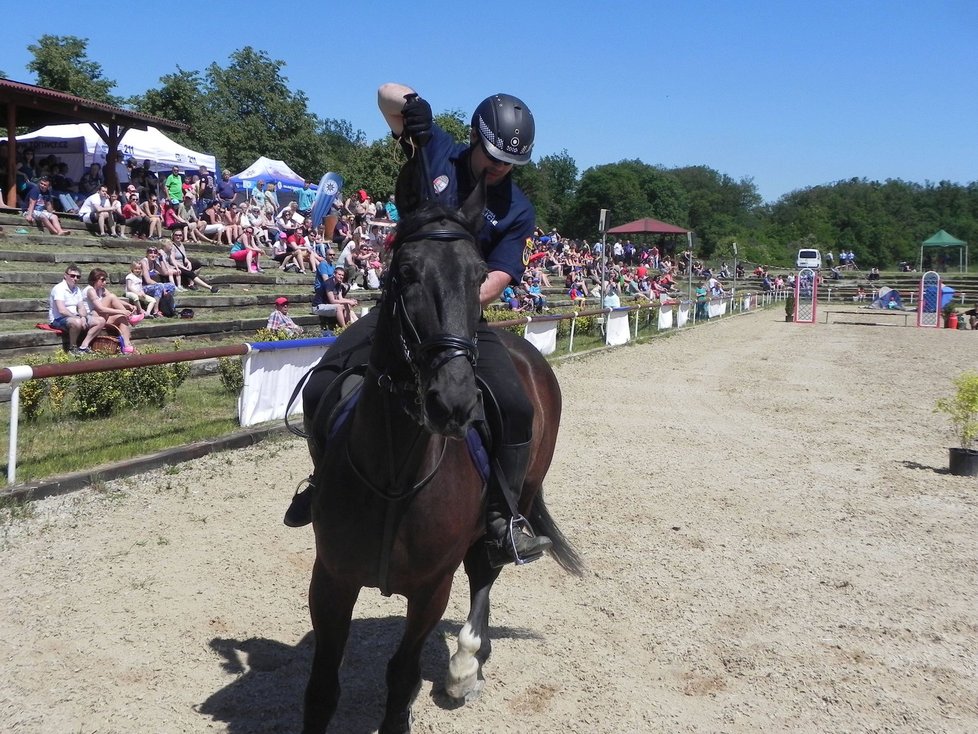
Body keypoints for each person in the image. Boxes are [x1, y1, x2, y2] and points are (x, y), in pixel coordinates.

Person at [285, 84, 552, 568]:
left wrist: (452, 301)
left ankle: (504, 517)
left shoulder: (517, 209)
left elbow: (501, 274)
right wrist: (412, 106)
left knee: (515, 407)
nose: (499, 169)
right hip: (400, 309)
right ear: (476, 138)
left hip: (463, 318)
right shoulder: (437, 151)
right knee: (321, 384)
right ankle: (323, 481)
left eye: (510, 164)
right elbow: (385, 97)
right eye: (493, 157)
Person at [48, 265, 104, 354]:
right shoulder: (59, 288)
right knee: (76, 322)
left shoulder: (77, 289)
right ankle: (72, 348)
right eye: (72, 276)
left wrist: (83, 317)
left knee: (100, 321)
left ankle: (83, 346)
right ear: (65, 276)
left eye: (78, 277)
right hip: (58, 319)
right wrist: (77, 318)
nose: (75, 278)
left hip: (74, 317)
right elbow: (62, 310)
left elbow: (81, 307)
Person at [82, 268, 137, 353]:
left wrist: (128, 305)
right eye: (102, 280)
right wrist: (122, 311)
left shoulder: (101, 289)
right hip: (91, 317)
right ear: (95, 279)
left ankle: (127, 346)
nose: (105, 282)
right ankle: (131, 317)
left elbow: (115, 299)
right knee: (112, 298)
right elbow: (101, 309)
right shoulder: (90, 290)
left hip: (102, 316)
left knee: (122, 317)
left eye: (105, 280)